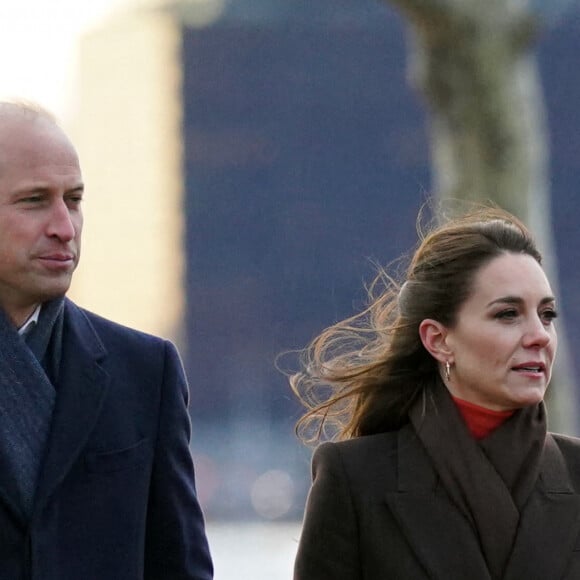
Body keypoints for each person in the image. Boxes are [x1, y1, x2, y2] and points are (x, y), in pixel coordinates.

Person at [291, 206, 580, 580]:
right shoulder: (356, 479)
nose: (539, 335)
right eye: (508, 314)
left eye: (547, 315)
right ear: (438, 340)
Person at [0, 101, 213, 579]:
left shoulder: (144, 370)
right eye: (34, 200)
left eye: (73, 200)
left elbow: (178, 564)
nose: (64, 227)